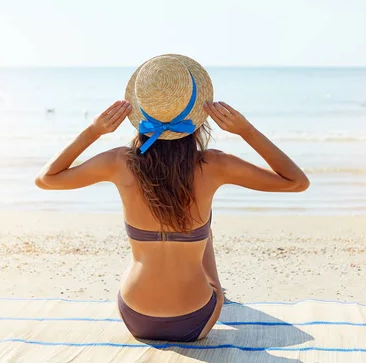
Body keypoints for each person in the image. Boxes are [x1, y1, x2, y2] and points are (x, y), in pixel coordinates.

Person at [35, 54, 309, 342]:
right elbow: (296, 182)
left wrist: (93, 131)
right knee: (203, 227)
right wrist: (245, 130)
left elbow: (46, 179)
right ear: (198, 118)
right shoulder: (214, 165)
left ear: (139, 114)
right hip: (195, 316)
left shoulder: (119, 162)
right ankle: (216, 290)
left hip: (135, 315)